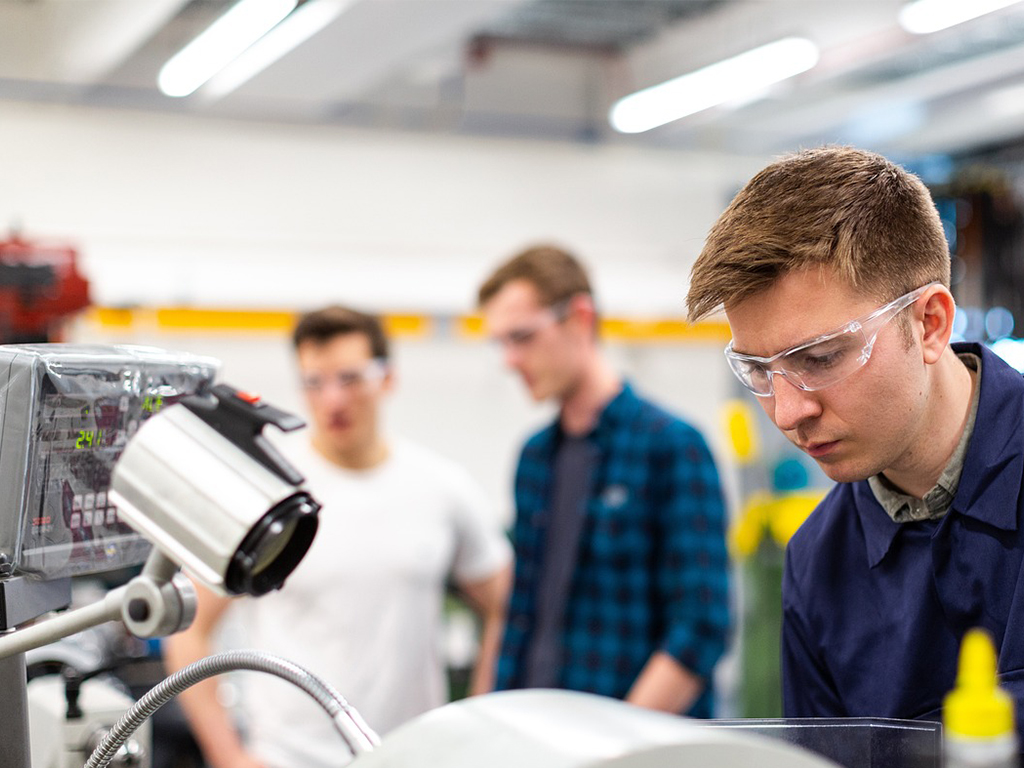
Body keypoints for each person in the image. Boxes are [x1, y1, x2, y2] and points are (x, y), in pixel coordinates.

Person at [685, 145, 1024, 740]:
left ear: (930, 324)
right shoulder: (817, 563)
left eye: (819, 358)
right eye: (760, 372)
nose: (788, 413)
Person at [163, 305, 513, 768]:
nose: (332, 399)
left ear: (387, 379)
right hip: (289, 759)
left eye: (350, 379)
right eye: (314, 381)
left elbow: (505, 606)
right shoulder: (264, 491)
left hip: (409, 757)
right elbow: (188, 630)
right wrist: (228, 755)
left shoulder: (442, 489)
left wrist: (472, 727)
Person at [476, 244, 731, 717]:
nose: (510, 359)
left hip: (638, 746)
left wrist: (616, 745)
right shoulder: (534, 458)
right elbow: (521, 618)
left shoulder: (672, 447)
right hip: (541, 734)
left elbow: (700, 628)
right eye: (502, 343)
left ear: (579, 318)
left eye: (522, 337)